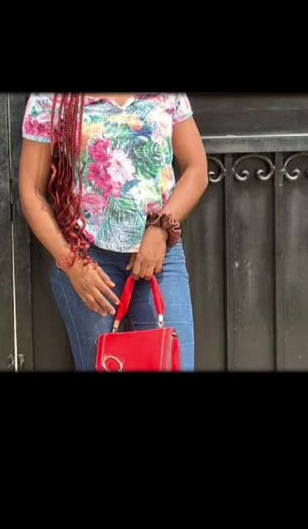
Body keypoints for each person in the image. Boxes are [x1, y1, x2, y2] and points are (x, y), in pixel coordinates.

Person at [19, 93, 209, 371]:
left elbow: (196, 169)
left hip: (159, 256)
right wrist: (72, 263)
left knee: (173, 364)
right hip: (88, 261)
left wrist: (160, 229)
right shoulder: (52, 99)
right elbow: (31, 192)